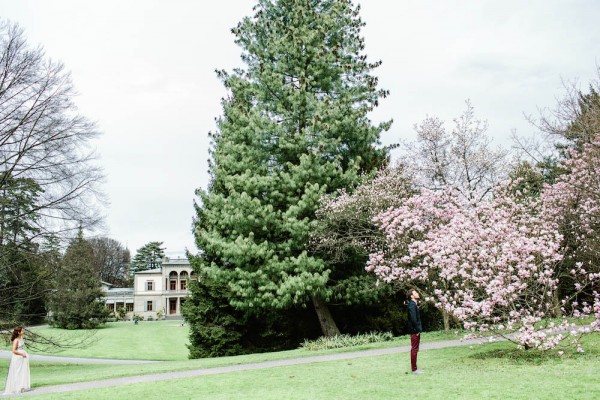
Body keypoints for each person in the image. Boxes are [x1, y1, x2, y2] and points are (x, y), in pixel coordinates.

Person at [3, 326, 31, 395]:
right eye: (21, 331)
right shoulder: (16, 340)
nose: (23, 332)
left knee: (22, 371)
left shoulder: (21, 338)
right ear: (19, 332)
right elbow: (14, 351)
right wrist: (22, 354)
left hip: (22, 358)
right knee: (17, 372)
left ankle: (21, 386)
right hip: (17, 358)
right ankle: (15, 387)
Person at [407, 289, 424, 374]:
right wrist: (417, 330)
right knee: (414, 349)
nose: (417, 293)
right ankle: (414, 369)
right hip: (414, 330)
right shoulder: (411, 305)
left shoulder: (414, 304)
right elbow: (413, 319)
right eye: (415, 293)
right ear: (411, 296)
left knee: (415, 349)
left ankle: (415, 368)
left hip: (415, 330)